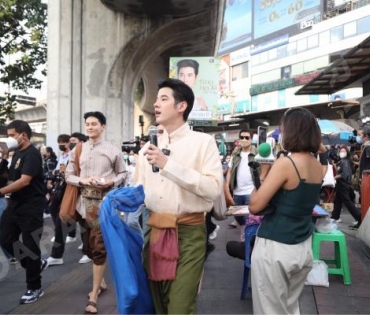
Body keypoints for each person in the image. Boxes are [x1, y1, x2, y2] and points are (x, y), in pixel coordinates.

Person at [137, 78, 222, 314]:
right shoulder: (146, 150)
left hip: (189, 233)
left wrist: (168, 165)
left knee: (180, 307)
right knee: (157, 304)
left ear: (181, 106)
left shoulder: (203, 143)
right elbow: (139, 192)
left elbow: (213, 189)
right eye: (156, 99)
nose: (156, 104)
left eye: (163, 99)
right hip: (153, 231)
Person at [249, 107, 323, 314]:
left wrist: (263, 174)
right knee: (290, 307)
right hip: (303, 245)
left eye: (282, 128)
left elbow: (255, 206)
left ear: (291, 131)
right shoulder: (317, 165)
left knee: (270, 309)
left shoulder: (286, 163)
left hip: (276, 246)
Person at [65, 111, 126, 314]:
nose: (90, 127)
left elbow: (123, 173)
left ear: (103, 126)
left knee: (98, 247)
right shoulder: (78, 149)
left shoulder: (113, 150)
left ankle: (93, 295)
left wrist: (112, 181)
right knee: (89, 249)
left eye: (94, 124)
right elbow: (69, 175)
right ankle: (100, 283)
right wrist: (82, 180)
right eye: (87, 124)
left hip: (104, 204)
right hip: (83, 205)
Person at [0, 120, 49, 304]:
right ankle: (34, 265)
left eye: (12, 135)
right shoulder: (16, 153)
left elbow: (24, 181)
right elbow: (8, 178)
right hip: (14, 204)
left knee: (30, 246)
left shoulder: (32, 154)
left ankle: (34, 287)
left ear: (23, 135)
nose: (9, 138)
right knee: (5, 239)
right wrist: (4, 158)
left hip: (31, 206)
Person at [226, 130, 257, 229]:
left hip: (251, 191)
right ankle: (246, 233)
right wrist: (227, 187)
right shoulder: (235, 155)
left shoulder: (257, 154)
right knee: (237, 216)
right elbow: (230, 171)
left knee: (249, 217)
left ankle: (247, 238)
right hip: (237, 192)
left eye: (247, 137)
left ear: (251, 139)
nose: (244, 140)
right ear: (239, 139)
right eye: (242, 137)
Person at [331, 146, 361, 229]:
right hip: (341, 185)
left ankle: (359, 218)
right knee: (337, 201)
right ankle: (334, 217)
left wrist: (336, 176)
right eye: (341, 151)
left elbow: (345, 174)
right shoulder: (343, 161)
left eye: (343, 151)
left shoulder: (345, 162)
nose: (342, 152)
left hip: (343, 185)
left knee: (348, 202)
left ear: (347, 152)